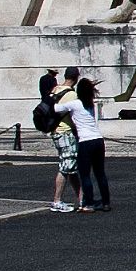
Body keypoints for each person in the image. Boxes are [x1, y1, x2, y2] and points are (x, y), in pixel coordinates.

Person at [55, 76, 110, 212]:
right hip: (98, 140)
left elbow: (56, 108)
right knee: (100, 173)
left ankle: (89, 203)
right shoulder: (91, 104)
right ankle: (106, 202)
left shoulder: (75, 104)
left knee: (85, 174)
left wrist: (54, 93)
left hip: (85, 141)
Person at [43, 70, 79, 212]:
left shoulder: (55, 89)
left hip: (55, 131)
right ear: (76, 78)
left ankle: (81, 198)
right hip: (65, 132)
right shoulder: (71, 94)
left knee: (70, 165)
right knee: (66, 166)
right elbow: (74, 116)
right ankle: (57, 201)